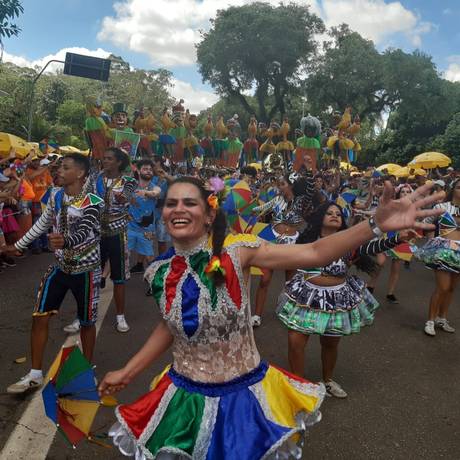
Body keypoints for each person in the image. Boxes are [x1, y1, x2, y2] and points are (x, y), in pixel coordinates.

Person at [98, 177, 442, 459]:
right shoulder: (157, 272)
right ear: (163, 215)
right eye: (171, 203)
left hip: (241, 399)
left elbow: (314, 251)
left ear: (207, 213)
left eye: (190, 202)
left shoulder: (237, 252)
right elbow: (169, 326)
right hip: (183, 397)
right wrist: (129, 371)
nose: (178, 209)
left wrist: (374, 225)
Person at [276, 202, 414, 398]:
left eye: (338, 214)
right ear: (321, 217)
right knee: (295, 341)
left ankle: (327, 381)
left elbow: (372, 246)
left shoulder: (347, 243)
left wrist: (397, 238)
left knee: (330, 343)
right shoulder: (307, 239)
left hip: (337, 297)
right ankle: (299, 385)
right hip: (307, 295)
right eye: (329, 213)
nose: (334, 215)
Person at [6, 154, 102, 394]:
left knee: (88, 323)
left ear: (80, 174)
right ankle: (35, 374)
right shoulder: (57, 196)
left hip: (87, 271)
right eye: (59, 167)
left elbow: (84, 230)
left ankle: (85, 371)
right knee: (40, 316)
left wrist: (65, 241)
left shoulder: (93, 200)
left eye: (65, 168)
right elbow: (43, 224)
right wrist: (18, 246)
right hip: (60, 267)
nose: (58, 171)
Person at [250, 160, 315, 327]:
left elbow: (311, 189)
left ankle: (287, 312)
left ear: (291, 185)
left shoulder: (302, 201)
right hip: (271, 239)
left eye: (282, 184)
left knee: (290, 282)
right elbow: (261, 208)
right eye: (279, 184)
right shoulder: (277, 199)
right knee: (264, 280)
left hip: (292, 242)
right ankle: (256, 315)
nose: (279, 187)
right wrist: (249, 208)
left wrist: (308, 171)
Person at [418, 178, 460, 336]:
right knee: (442, 287)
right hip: (444, 250)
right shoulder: (442, 207)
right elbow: (426, 221)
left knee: (451, 288)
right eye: (459, 187)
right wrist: (429, 238)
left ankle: (442, 318)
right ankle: (430, 320)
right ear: (452, 189)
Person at [128, 160, 162, 274]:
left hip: (147, 230)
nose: (148, 171)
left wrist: (146, 193)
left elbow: (156, 193)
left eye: (150, 170)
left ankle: (154, 283)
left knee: (149, 257)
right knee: (124, 254)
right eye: (145, 169)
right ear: (138, 171)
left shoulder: (155, 187)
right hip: (130, 227)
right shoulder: (131, 185)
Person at [25, 156, 53, 254]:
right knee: (36, 225)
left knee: (44, 225)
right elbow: (31, 177)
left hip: (44, 202)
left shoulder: (45, 171)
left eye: (37, 160)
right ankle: (35, 247)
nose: (36, 162)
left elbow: (50, 183)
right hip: (35, 202)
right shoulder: (28, 171)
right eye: (34, 160)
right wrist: (46, 167)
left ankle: (45, 246)